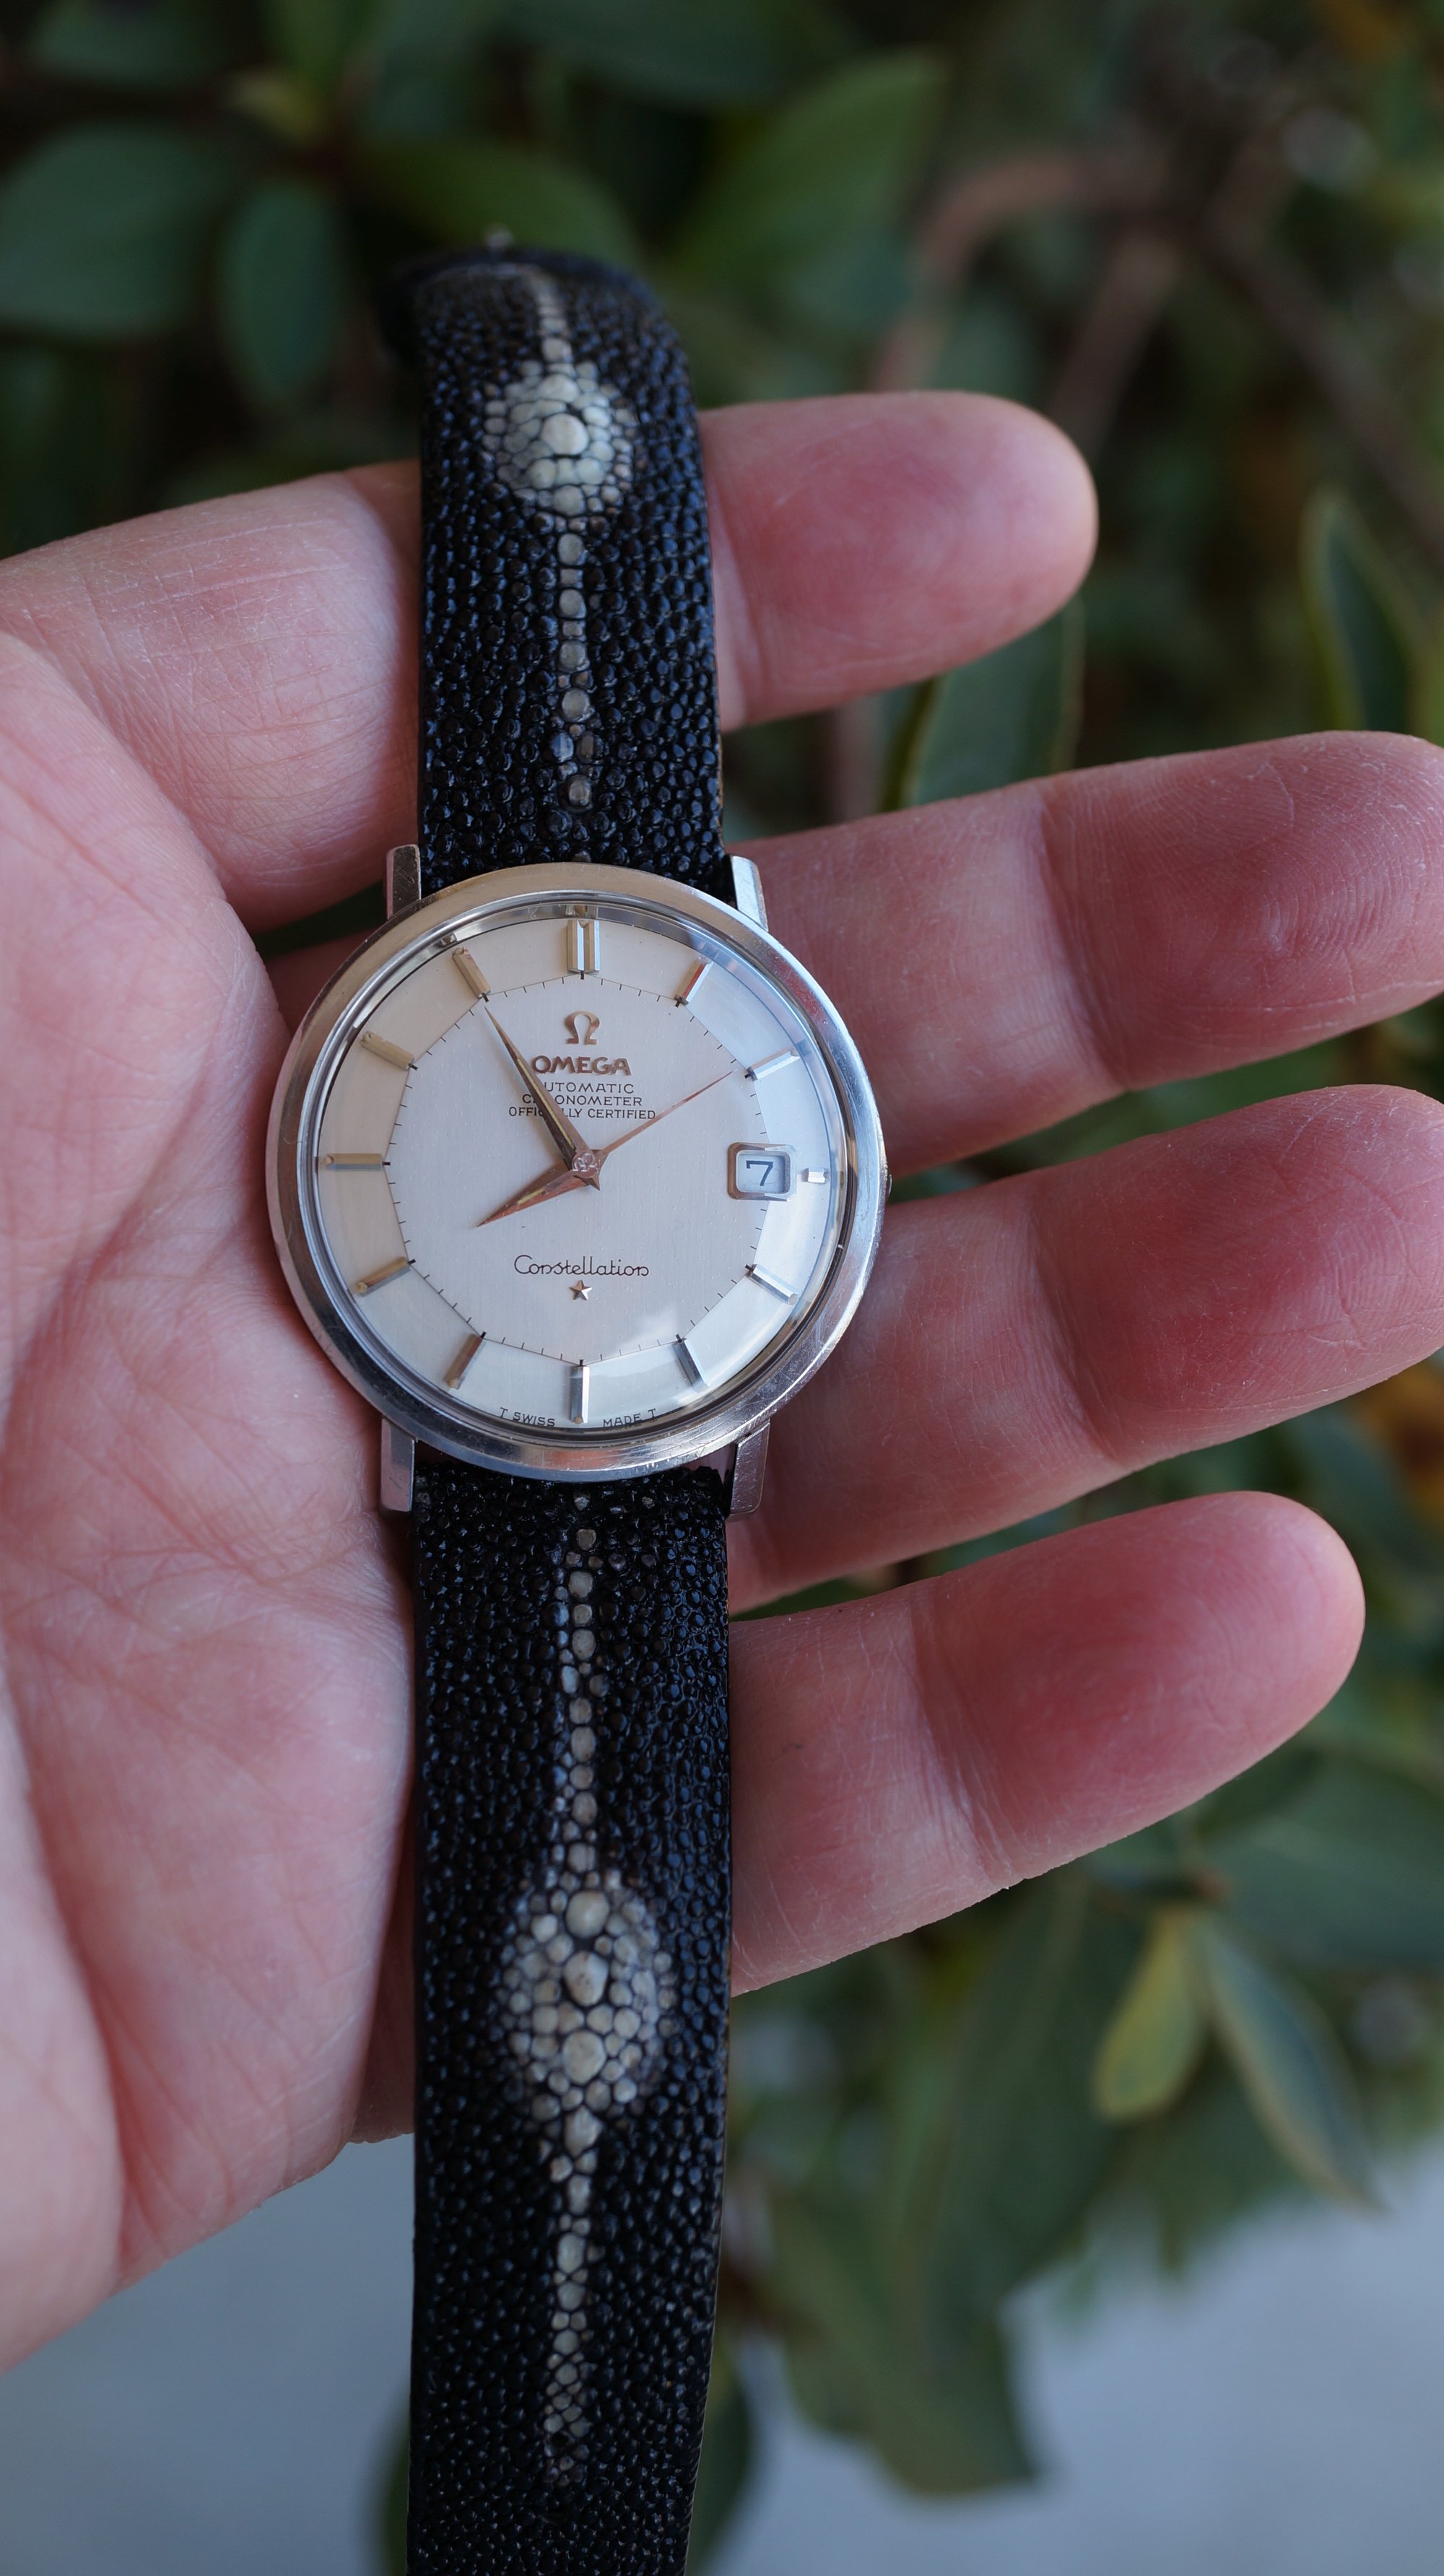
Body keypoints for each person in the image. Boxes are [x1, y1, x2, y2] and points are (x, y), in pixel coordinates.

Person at [1, 386, 1440, 2373]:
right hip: (475, 1408)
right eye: (564, 1151)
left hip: (625, 1404)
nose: (583, 1172)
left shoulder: (710, 1052)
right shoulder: (614, 1035)